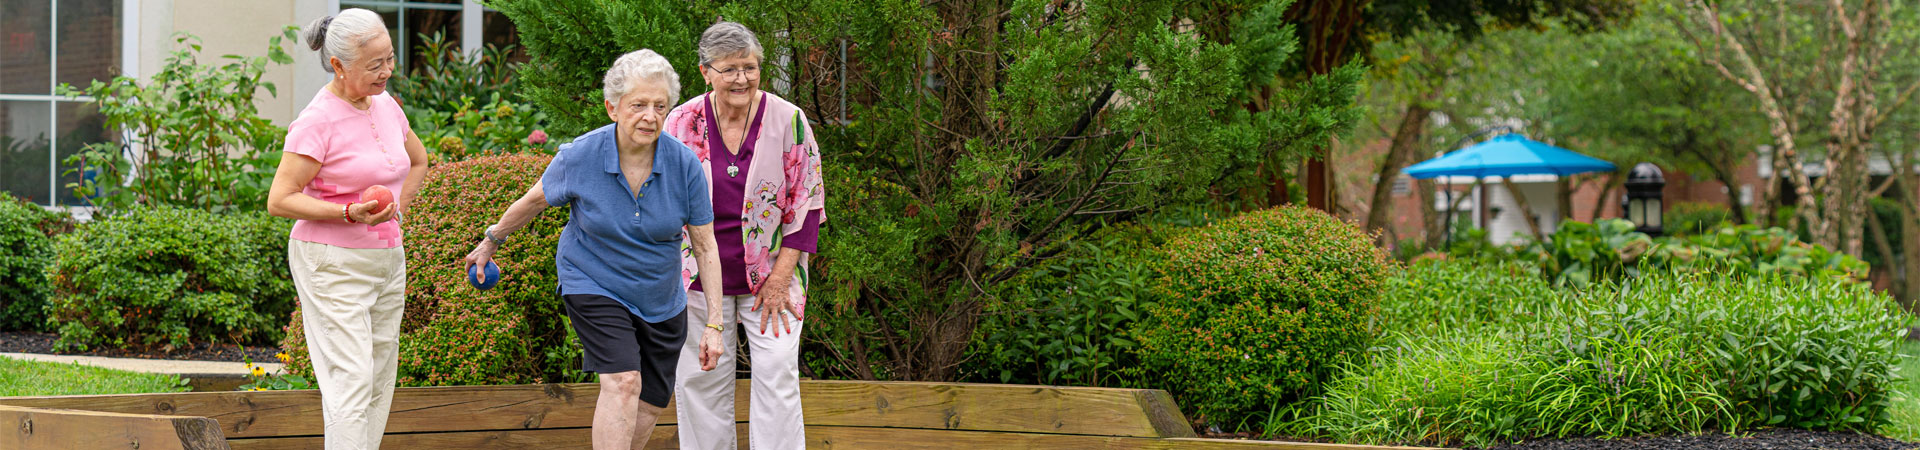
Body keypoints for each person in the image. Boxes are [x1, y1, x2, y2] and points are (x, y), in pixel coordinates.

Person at [462, 49, 728, 450]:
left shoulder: (684, 165)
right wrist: (490, 241)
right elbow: (533, 201)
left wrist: (714, 324)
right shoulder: (581, 155)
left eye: (660, 106)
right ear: (612, 108)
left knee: (651, 403)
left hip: (660, 296)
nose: (650, 116)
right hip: (593, 279)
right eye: (638, 105)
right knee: (623, 382)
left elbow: (706, 247)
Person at [266, 9, 427, 450]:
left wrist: (399, 211)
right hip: (330, 261)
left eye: (389, 59)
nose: (387, 71)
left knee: (378, 376)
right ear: (338, 65)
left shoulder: (388, 106)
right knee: (351, 378)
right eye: (374, 65)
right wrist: (348, 213)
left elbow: (418, 160)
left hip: (387, 259)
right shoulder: (317, 120)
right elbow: (279, 200)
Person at [665, 21, 825, 450]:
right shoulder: (680, 122)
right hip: (696, 278)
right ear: (705, 72)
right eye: (730, 69)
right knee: (701, 380)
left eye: (750, 68)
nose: (742, 79)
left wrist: (779, 279)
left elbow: (806, 206)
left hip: (773, 277)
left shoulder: (790, 119)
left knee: (777, 375)